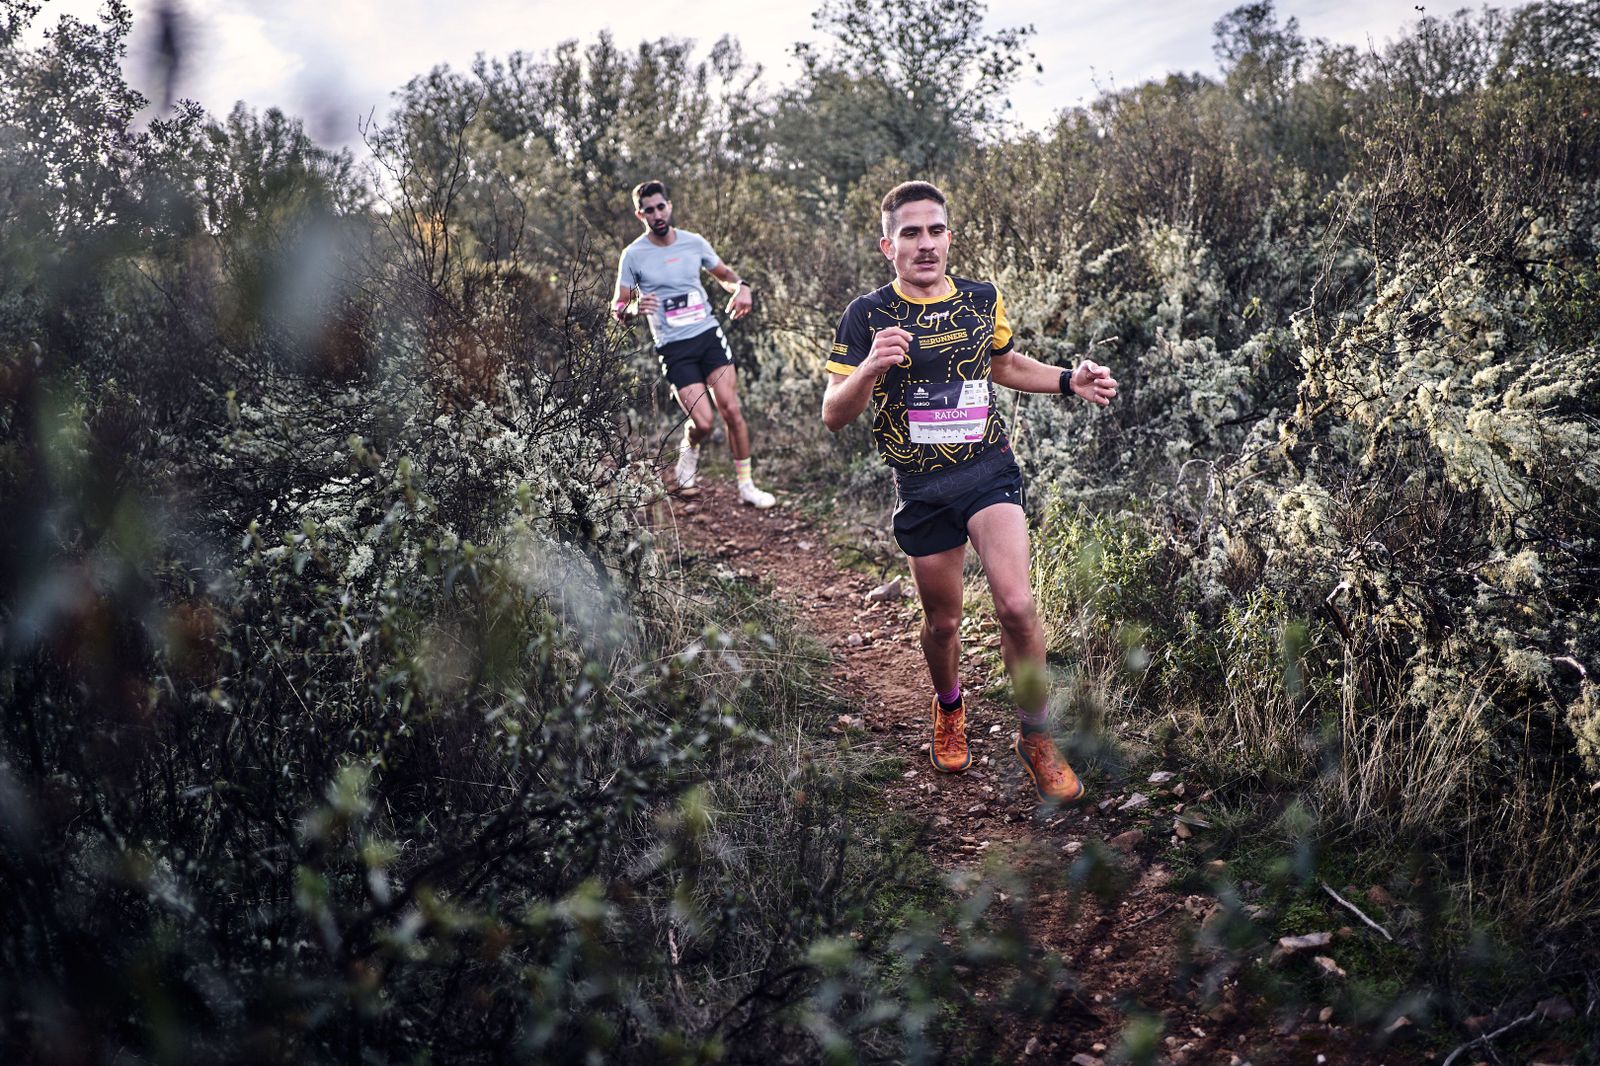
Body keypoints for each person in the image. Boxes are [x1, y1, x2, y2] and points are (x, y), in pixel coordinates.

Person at [820, 180, 1118, 803]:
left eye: (935, 230)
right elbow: (833, 415)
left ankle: (1036, 736)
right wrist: (872, 366)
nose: (925, 244)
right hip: (922, 487)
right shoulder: (866, 315)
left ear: (950, 237)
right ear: (888, 245)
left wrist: (1069, 380)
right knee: (943, 620)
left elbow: (1004, 366)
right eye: (910, 233)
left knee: (1015, 605)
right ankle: (950, 704)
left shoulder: (981, 300)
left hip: (987, 469)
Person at [612, 179, 776, 509]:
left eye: (661, 207)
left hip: (707, 336)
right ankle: (689, 453)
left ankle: (746, 486)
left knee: (731, 409)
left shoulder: (693, 243)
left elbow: (726, 275)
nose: (657, 214)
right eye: (649, 210)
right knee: (703, 422)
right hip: (674, 348)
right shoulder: (633, 255)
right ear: (639, 214)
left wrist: (742, 287)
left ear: (669, 207)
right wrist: (631, 309)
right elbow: (617, 306)